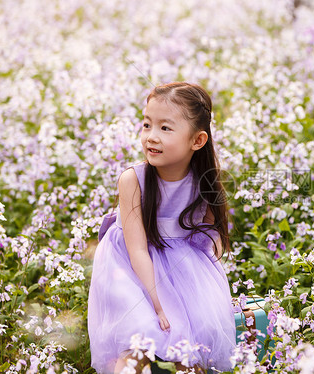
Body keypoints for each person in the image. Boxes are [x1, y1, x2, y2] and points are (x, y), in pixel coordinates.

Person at [87, 82, 236, 374]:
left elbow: (210, 234)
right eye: (146, 124)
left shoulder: (204, 180)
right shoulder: (133, 180)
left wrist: (207, 280)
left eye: (165, 128)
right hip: (130, 266)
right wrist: (157, 304)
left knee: (190, 352)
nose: (151, 137)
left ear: (197, 140)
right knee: (138, 339)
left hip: (180, 265)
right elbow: (138, 249)